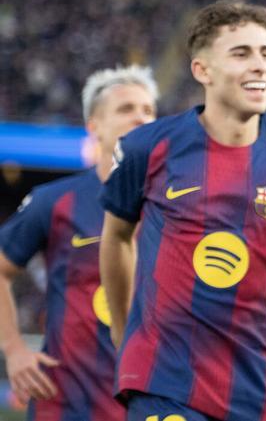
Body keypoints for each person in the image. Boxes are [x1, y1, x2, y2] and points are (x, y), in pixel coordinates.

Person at [98, 0, 266, 421]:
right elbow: (116, 236)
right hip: (163, 381)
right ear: (202, 71)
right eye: (241, 53)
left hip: (252, 389)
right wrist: (123, 331)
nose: (260, 65)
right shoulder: (149, 148)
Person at [0, 66, 158, 421]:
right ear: (94, 127)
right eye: (125, 109)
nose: (140, 118)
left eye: (148, 111)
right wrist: (13, 349)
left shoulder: (179, 206)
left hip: (152, 406)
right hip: (67, 406)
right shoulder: (56, 201)